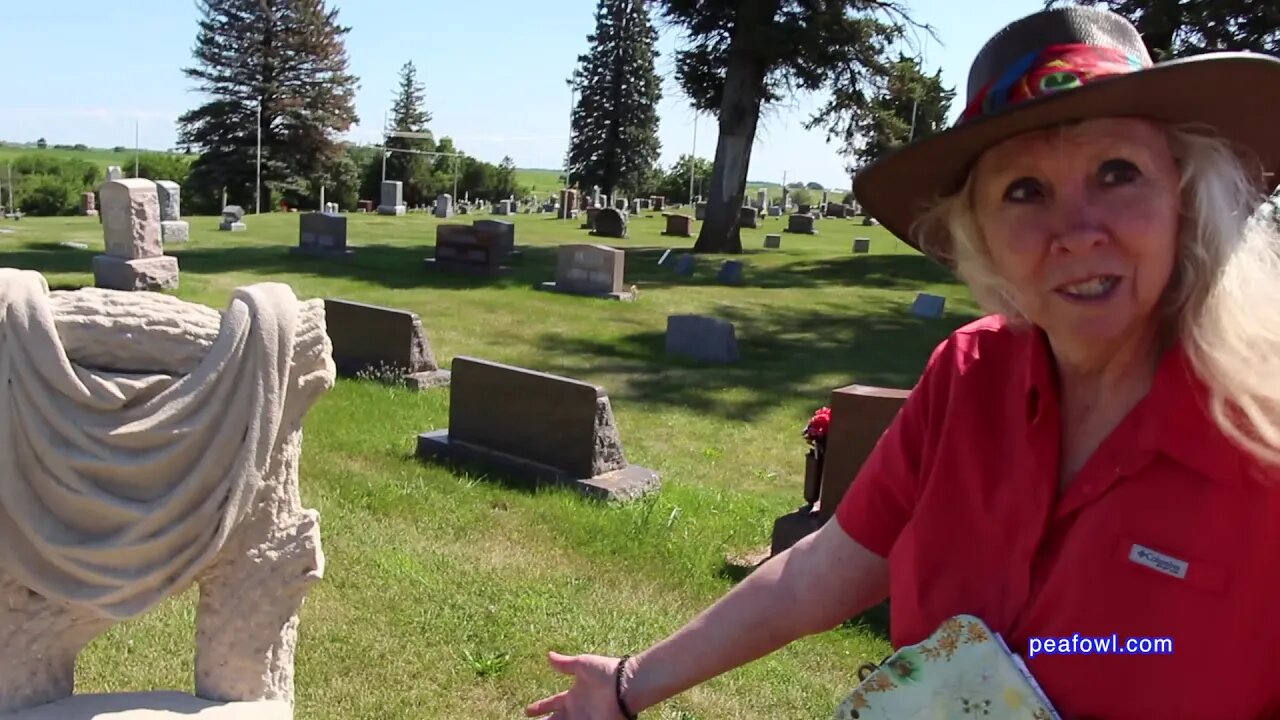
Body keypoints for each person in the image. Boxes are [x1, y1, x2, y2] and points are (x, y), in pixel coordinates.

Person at [525, 6, 1280, 719]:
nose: (1078, 230)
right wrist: (628, 683)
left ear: (1185, 194)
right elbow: (823, 573)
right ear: (978, 235)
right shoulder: (970, 375)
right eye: (1025, 190)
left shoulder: (1263, 434)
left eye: (1118, 172)